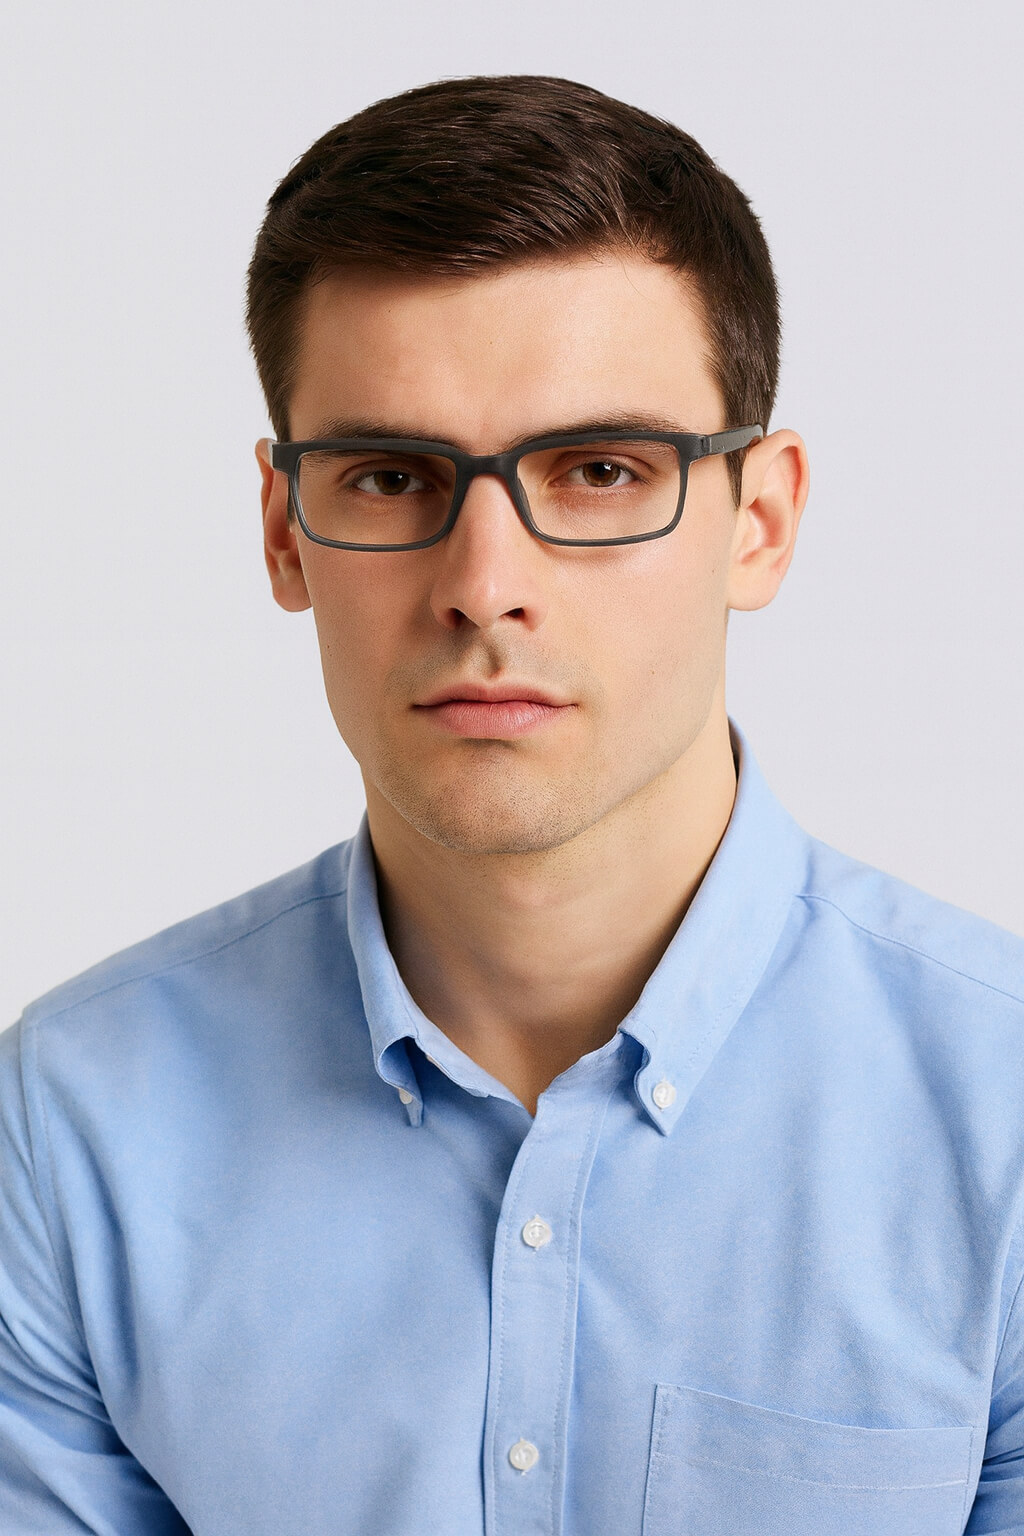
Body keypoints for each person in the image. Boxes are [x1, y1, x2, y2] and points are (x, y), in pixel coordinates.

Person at [1, 72, 1021, 1536]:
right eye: (390, 476)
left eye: (600, 471)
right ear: (286, 532)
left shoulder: (1002, 1117)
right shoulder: (68, 1129)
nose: (486, 586)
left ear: (761, 520)